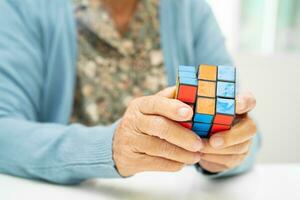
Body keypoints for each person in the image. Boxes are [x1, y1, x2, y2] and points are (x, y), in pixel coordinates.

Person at [0, 0, 259, 184]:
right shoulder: (23, 7)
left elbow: (243, 127)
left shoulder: (190, 10)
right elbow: (5, 133)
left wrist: (226, 152)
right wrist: (110, 149)